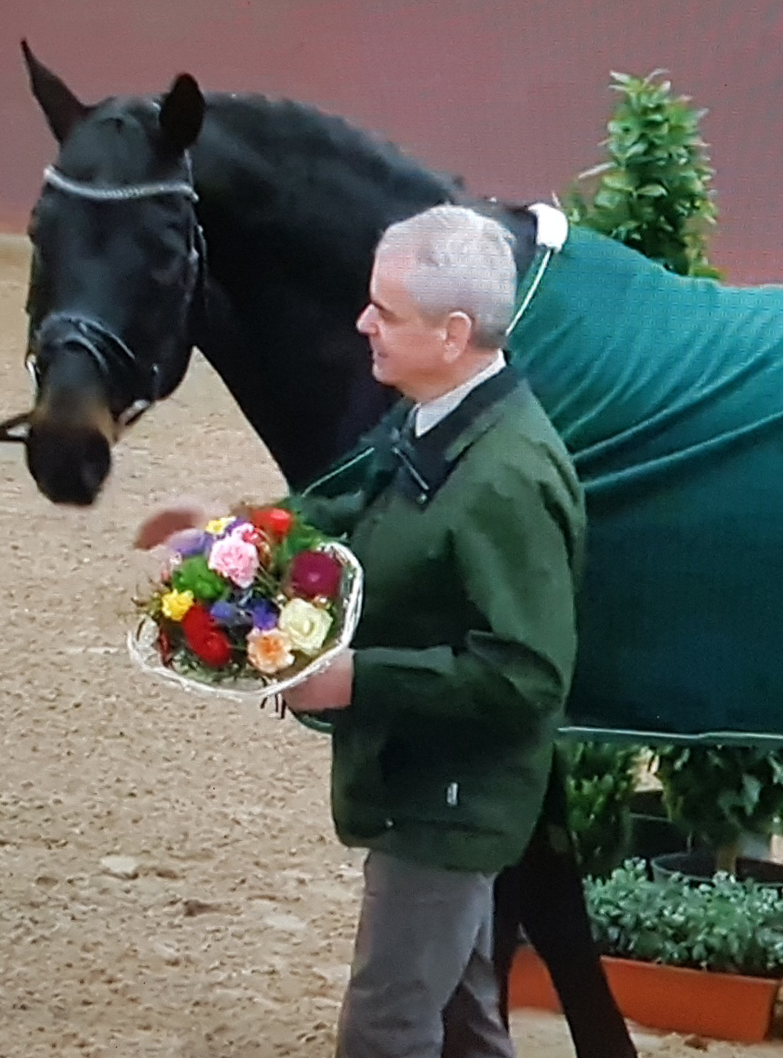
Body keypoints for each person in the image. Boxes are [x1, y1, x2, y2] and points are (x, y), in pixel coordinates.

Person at [136, 204, 587, 1058]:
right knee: (462, 1021)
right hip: (424, 784)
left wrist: (358, 679)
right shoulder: (441, 420)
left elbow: (529, 676)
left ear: (454, 333)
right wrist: (231, 541)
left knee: (387, 1026)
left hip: (449, 805)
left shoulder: (506, 481)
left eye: (386, 310)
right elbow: (352, 511)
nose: (363, 323)